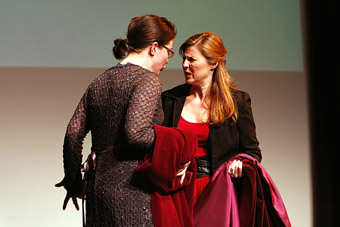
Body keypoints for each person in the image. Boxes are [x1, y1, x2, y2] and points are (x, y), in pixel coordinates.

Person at [55, 14, 177, 226]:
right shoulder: (147, 79)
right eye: (169, 51)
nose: (168, 59)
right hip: (132, 191)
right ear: (154, 47)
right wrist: (173, 143)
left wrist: (73, 181)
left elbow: (73, 134)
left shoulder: (99, 82)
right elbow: (136, 134)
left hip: (97, 192)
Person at [162, 32, 291, 226]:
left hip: (215, 191)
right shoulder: (170, 100)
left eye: (192, 59)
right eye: (184, 59)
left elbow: (252, 151)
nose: (184, 65)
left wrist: (239, 163)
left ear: (213, 63)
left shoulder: (237, 102)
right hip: (177, 191)